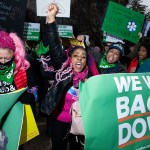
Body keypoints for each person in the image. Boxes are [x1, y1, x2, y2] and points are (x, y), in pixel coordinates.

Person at [40, 3, 99, 150]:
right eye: (76, 56)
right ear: (70, 58)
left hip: (79, 122)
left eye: (83, 57)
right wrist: (51, 18)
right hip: (59, 121)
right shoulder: (63, 69)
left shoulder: (91, 78)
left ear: (87, 61)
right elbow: (54, 45)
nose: (79, 59)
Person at [0, 30, 38, 149]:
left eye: (6, 58)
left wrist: (30, 96)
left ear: (14, 53)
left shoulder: (22, 69)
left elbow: (34, 88)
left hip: (14, 119)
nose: (2, 62)